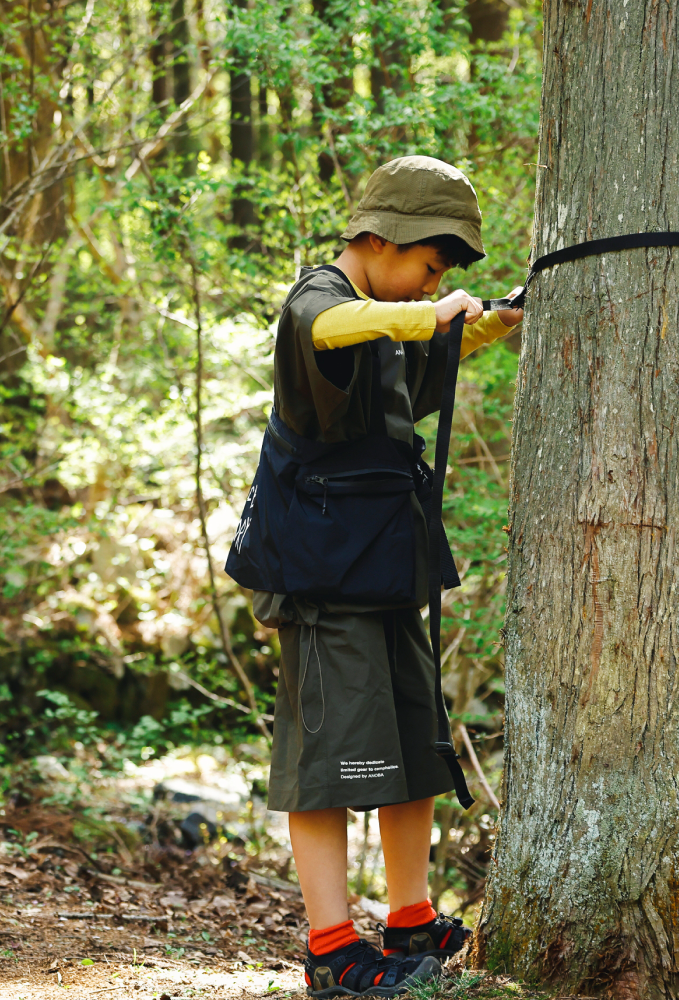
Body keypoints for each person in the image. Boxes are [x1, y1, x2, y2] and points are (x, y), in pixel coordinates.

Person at [226, 156, 523, 996]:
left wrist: (483, 326)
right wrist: (424, 312)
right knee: (323, 762)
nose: (432, 282)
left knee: (417, 746)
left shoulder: (393, 315)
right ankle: (330, 948)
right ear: (384, 238)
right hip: (321, 577)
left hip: (390, 565)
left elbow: (418, 358)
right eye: (430, 264)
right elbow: (328, 328)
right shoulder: (319, 300)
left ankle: (408, 919)